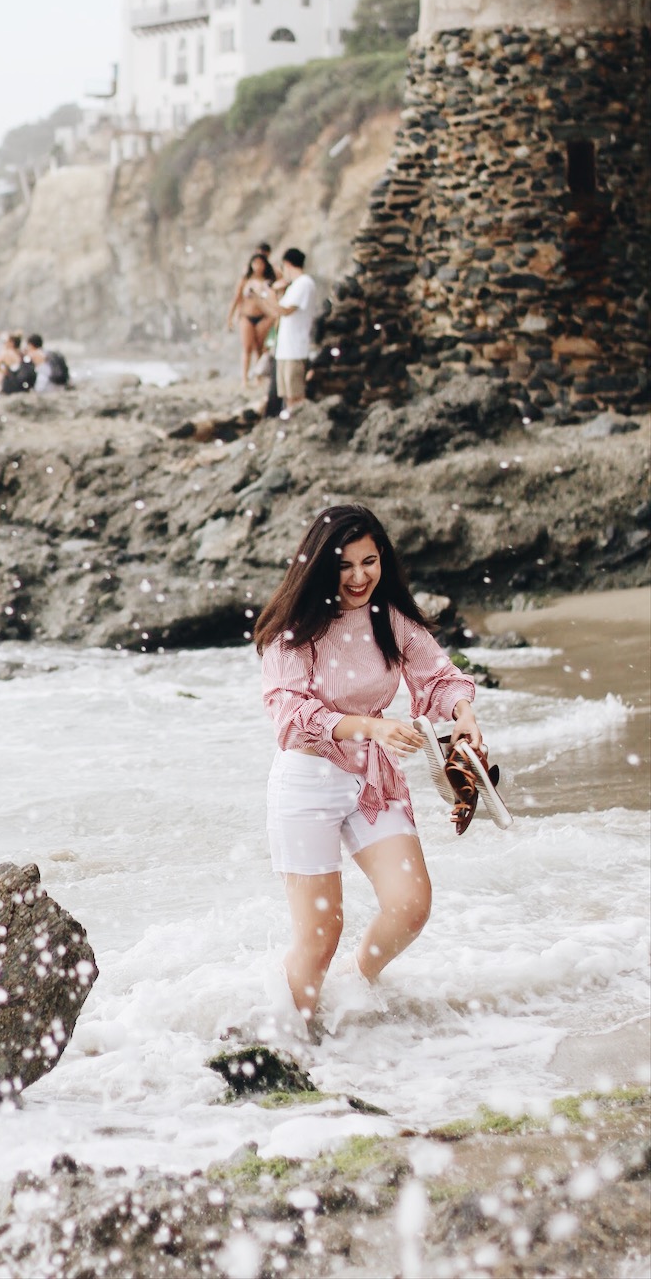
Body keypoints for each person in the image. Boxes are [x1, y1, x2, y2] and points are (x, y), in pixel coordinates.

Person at [255, 503, 482, 1029]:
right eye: (345, 565)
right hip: (306, 784)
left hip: (371, 782)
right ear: (319, 566)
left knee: (410, 906)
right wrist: (372, 726)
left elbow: (438, 676)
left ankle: (359, 983)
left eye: (371, 561)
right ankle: (290, 1047)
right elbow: (290, 718)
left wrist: (464, 714)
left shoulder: (388, 618)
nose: (361, 577)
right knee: (319, 935)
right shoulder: (293, 631)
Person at [271, 247, 316, 413]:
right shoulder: (294, 286)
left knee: (296, 395)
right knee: (287, 396)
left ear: (287, 264)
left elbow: (286, 311)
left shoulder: (304, 283)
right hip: (285, 349)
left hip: (295, 349)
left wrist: (268, 294)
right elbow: (277, 311)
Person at [225, 252, 278, 387]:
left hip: (263, 316)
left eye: (261, 263)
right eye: (255, 263)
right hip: (246, 316)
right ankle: (244, 378)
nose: (258, 266)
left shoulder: (269, 281)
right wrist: (230, 317)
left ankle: (258, 375)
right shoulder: (246, 280)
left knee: (260, 347)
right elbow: (236, 298)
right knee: (247, 347)